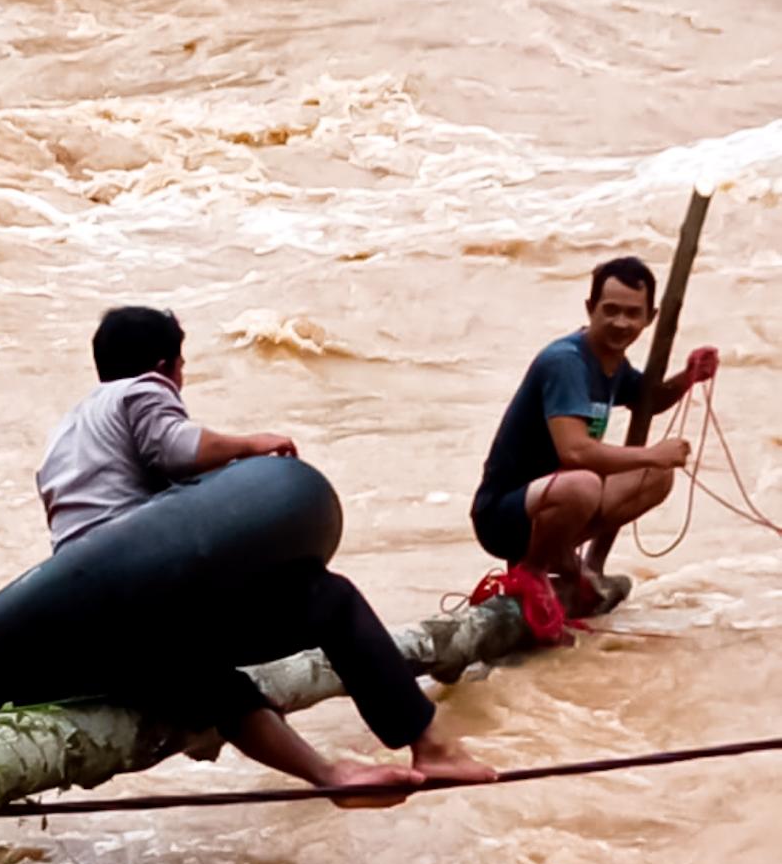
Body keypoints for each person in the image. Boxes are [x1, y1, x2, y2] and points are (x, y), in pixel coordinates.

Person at [36, 305, 495, 807]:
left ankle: (328, 775)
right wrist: (252, 445)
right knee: (326, 597)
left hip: (103, 634)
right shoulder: (141, 389)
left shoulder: (64, 434)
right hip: (141, 592)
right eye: (181, 367)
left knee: (208, 680)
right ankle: (429, 746)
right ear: (166, 365)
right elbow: (176, 448)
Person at [470, 256, 718, 623]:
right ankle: (533, 573)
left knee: (656, 477)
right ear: (590, 309)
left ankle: (568, 565)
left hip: (554, 503)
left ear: (650, 317)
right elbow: (575, 450)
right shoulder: (566, 361)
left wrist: (688, 377)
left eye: (633, 314)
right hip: (504, 516)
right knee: (586, 483)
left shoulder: (614, 363)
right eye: (610, 311)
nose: (622, 323)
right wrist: (653, 453)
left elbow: (649, 401)